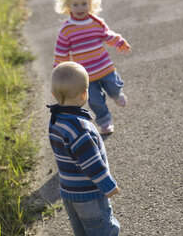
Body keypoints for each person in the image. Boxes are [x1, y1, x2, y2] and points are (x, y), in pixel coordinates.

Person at [48, 61, 120, 236]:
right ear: (84, 94)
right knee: (102, 230)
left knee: (81, 230)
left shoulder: (56, 119)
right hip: (89, 195)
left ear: (53, 94)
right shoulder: (80, 128)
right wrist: (108, 185)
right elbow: (91, 162)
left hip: (68, 191)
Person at [53, 0, 131, 135]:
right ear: (68, 6)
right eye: (75, 5)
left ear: (91, 4)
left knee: (114, 86)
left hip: (104, 66)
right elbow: (61, 51)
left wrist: (119, 42)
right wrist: (58, 72)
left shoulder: (96, 22)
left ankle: (117, 95)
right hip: (86, 74)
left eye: (84, 4)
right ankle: (105, 121)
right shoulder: (67, 29)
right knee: (95, 101)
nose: (80, 8)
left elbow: (107, 36)